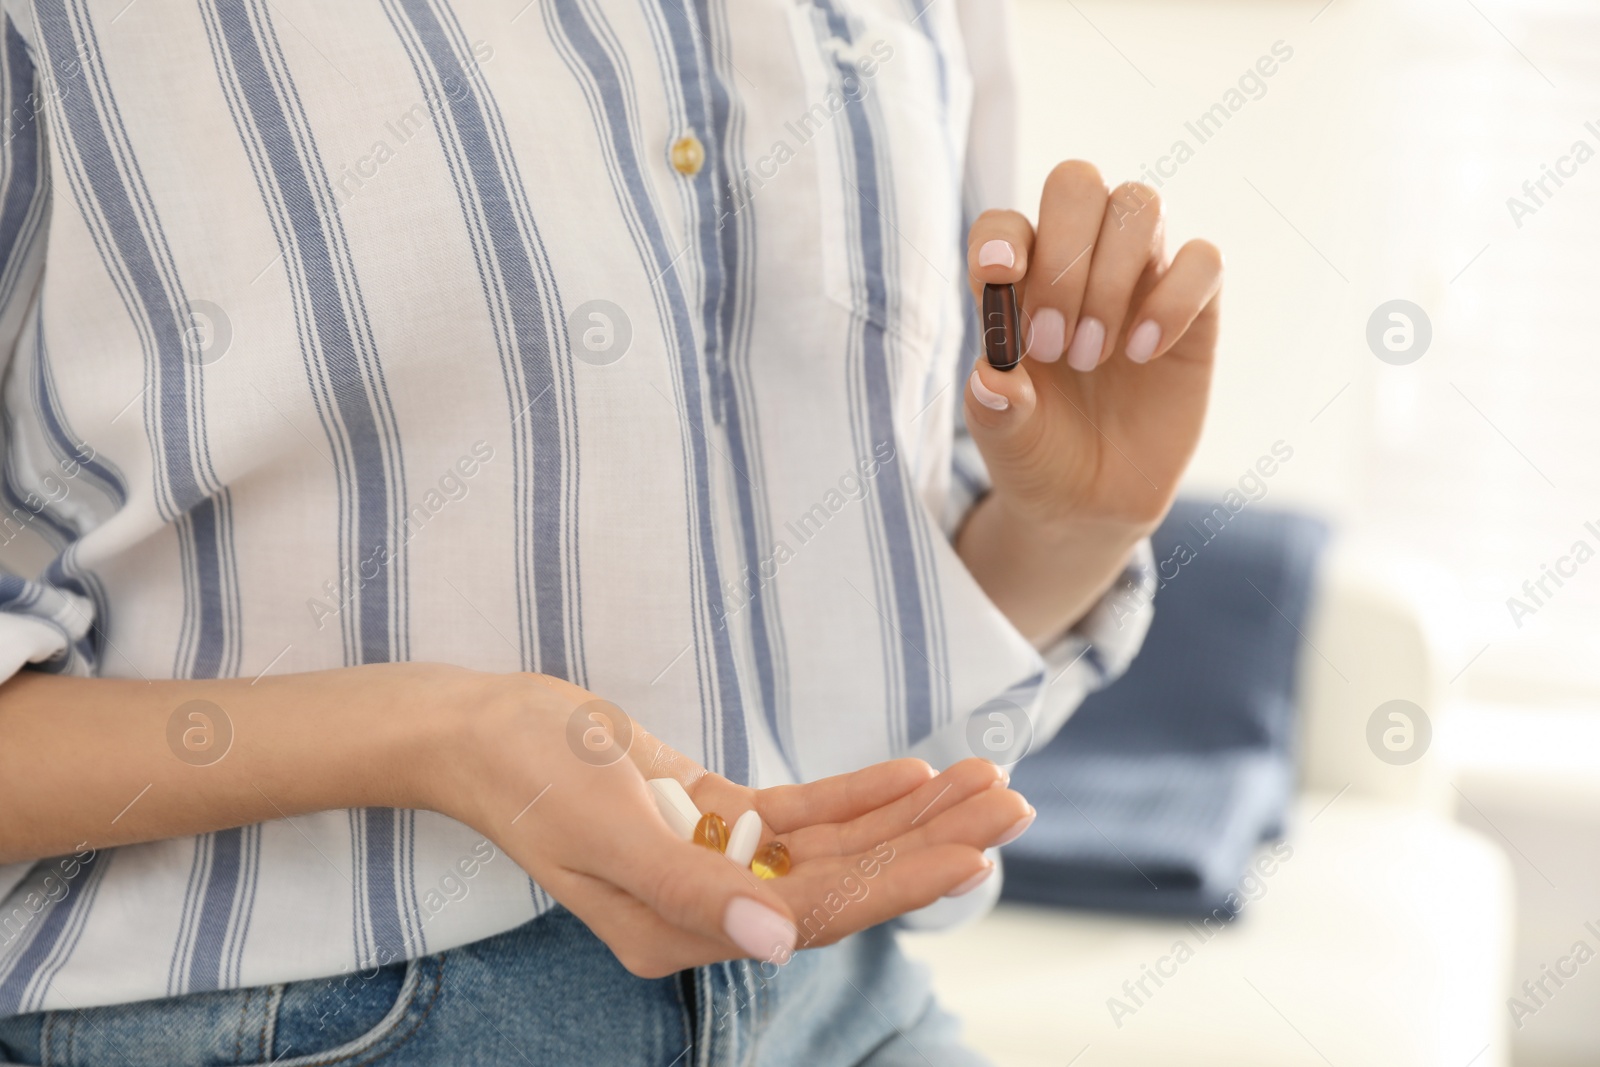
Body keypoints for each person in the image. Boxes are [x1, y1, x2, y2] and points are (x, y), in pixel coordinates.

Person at [0, 1, 1219, 1063]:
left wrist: (1074, 520)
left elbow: (881, 609)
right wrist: (439, 734)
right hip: (289, 1023)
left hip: (841, 1002)